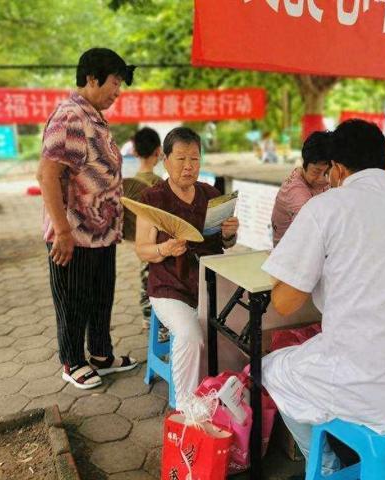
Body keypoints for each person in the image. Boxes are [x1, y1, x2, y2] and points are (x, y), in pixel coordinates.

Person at [261, 119, 385, 475]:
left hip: (367, 385)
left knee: (272, 368)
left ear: (336, 169)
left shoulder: (327, 208)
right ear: (384, 162)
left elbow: (284, 301)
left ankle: (326, 465)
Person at [37, 48, 138, 390]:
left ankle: (100, 354)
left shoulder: (92, 115)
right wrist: (62, 231)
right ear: (92, 78)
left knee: (100, 297)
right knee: (74, 300)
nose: (117, 91)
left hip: (101, 233)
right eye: (114, 82)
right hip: (75, 235)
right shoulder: (69, 117)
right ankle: (72, 361)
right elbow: (47, 176)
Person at [134, 127, 239, 405]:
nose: (188, 166)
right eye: (181, 159)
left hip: (210, 283)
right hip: (170, 287)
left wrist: (229, 233)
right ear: (165, 160)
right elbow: (142, 249)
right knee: (190, 336)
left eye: (194, 158)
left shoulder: (210, 194)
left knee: (239, 327)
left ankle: (227, 392)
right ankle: (185, 408)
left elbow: (225, 243)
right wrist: (164, 248)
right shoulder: (153, 199)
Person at [121, 127, 164, 333]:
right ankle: (162, 327)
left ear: (135, 152)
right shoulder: (160, 185)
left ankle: (149, 322)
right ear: (159, 151)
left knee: (146, 284)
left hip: (142, 248)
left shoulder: (127, 187)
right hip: (163, 249)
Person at [271, 131, 331, 247]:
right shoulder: (296, 192)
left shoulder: (313, 179)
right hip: (290, 256)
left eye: (327, 173)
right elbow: (311, 234)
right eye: (316, 171)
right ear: (305, 164)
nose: (322, 179)